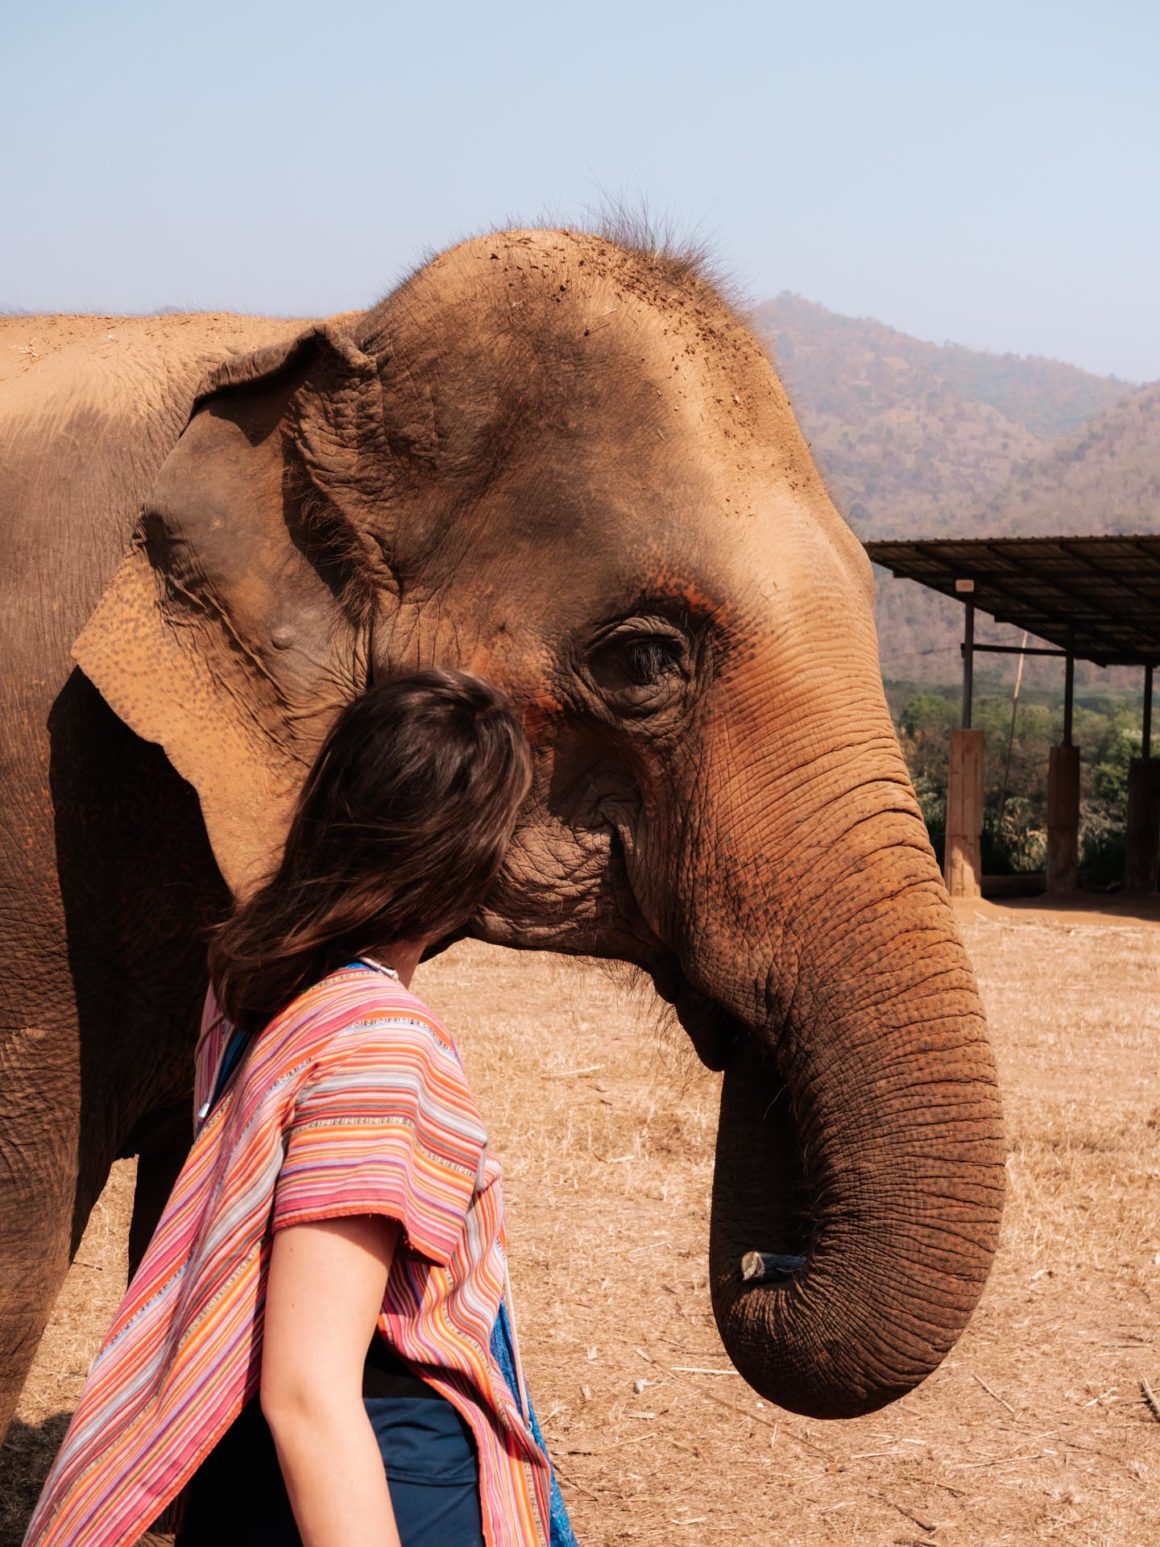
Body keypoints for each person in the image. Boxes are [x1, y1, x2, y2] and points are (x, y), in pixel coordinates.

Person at [24, 670, 576, 1547]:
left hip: (249, 1469)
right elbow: (310, 1389)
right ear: (464, 859)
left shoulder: (259, 992)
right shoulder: (379, 1045)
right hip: (367, 1481)